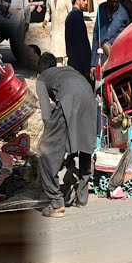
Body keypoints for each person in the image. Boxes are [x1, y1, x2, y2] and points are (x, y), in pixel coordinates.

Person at [34, 49, 97, 217]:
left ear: (39, 70)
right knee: (85, 146)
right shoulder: (67, 70)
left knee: (44, 152)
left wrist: (51, 143)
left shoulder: (41, 78)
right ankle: (82, 196)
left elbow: (47, 116)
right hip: (90, 99)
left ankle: (56, 203)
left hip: (68, 99)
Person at [41, 0, 73, 64]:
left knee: (63, 49)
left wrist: (71, 24)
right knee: (54, 50)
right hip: (54, 28)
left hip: (63, 28)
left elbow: (70, 12)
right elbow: (48, 11)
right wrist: (45, 20)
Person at [65, 0, 93, 84]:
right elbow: (81, 44)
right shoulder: (75, 17)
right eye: (84, 0)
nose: (86, 2)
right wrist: (86, 65)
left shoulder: (74, 16)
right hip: (79, 66)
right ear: (77, 1)